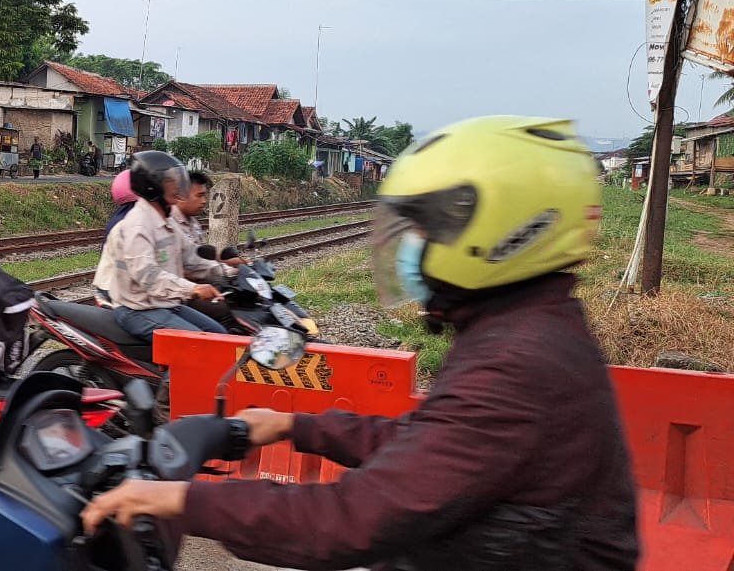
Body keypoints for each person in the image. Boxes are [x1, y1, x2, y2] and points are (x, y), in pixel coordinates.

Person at [80, 115, 639, 571]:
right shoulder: (525, 332)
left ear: (500, 235)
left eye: (426, 228)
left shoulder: (515, 363)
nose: (411, 246)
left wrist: (183, 500)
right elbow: (427, 443)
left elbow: (350, 520)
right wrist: (293, 425)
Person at [95, 150, 228, 338]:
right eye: (171, 181)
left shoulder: (166, 219)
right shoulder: (137, 225)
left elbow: (190, 256)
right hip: (137, 309)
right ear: (152, 186)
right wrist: (193, 289)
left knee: (220, 335)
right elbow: (149, 276)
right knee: (201, 344)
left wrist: (229, 272)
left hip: (165, 303)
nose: (178, 186)